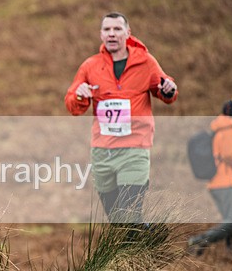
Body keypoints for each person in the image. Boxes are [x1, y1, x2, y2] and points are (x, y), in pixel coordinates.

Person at [65, 12, 178, 223]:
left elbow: (165, 89)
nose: (112, 34)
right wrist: (80, 94)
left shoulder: (145, 62)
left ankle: (144, 246)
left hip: (134, 148)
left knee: (129, 213)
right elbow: (73, 106)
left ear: (128, 33)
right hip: (102, 151)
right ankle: (149, 239)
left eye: (117, 29)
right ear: (100, 34)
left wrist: (169, 90)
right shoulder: (90, 66)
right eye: (107, 30)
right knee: (117, 220)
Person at [188, 97, 232, 254]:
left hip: (221, 183)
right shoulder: (229, 129)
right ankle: (198, 241)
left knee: (231, 222)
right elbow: (229, 156)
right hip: (225, 183)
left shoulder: (223, 128)